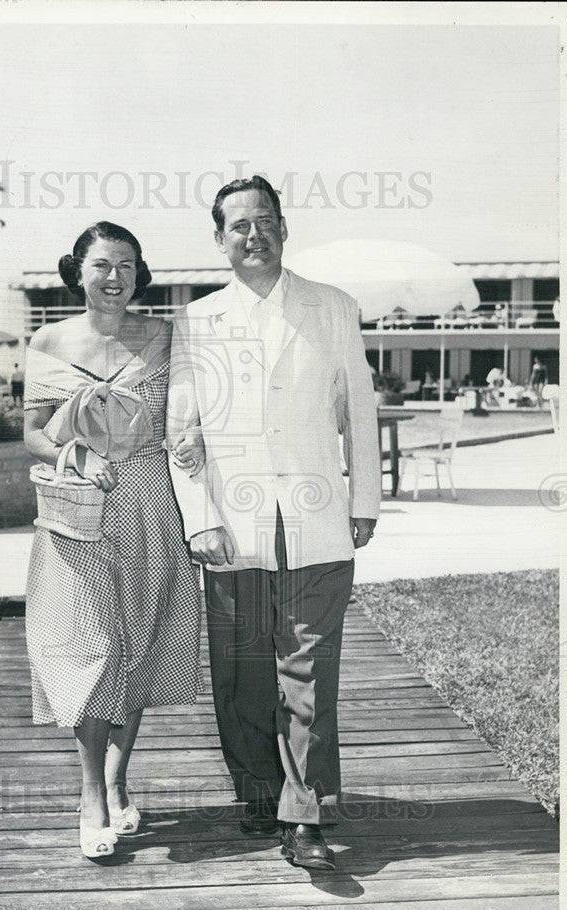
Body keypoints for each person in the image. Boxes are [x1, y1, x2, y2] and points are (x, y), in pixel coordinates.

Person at [167, 176, 380, 871]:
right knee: (241, 673)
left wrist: (364, 502)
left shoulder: (333, 307)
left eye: (264, 220)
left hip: (317, 523)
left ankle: (306, 816)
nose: (252, 234)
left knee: (308, 675)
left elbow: (361, 414)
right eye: (237, 225)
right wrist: (199, 521)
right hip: (233, 526)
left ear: (283, 228)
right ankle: (260, 797)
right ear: (219, 239)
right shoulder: (196, 320)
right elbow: (181, 434)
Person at [23, 221, 204, 861]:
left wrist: (192, 440)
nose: (114, 276)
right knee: (90, 647)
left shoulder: (165, 335)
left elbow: (189, 415)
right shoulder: (48, 340)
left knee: (141, 645)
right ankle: (91, 795)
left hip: (150, 500)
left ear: (139, 271)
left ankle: (120, 777)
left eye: (126, 264)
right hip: (79, 508)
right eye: (101, 264)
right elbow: (34, 436)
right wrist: (76, 454)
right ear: (78, 270)